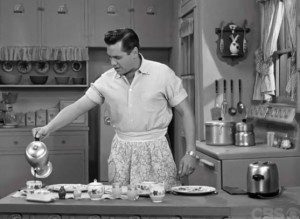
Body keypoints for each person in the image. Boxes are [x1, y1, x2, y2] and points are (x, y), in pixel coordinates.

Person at [32, 28, 197, 189]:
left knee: (160, 206)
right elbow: (77, 107)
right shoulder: (106, 80)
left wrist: (190, 152)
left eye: (118, 57)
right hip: (121, 152)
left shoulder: (162, 74)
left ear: (134, 52)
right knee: (121, 205)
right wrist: (48, 128)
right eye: (110, 57)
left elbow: (186, 113)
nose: (112, 63)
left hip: (156, 151)